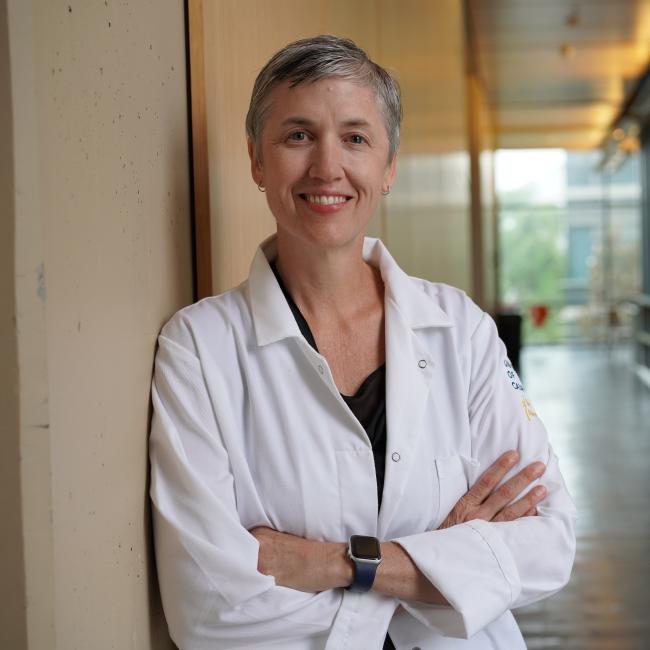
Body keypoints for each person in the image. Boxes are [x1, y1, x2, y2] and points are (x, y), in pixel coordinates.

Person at [149, 35, 576, 650]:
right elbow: (211, 610)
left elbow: (548, 543)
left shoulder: (461, 330)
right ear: (256, 161)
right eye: (298, 135)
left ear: (389, 165)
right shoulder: (199, 350)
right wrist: (445, 567)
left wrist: (342, 565)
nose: (328, 168)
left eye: (355, 137)